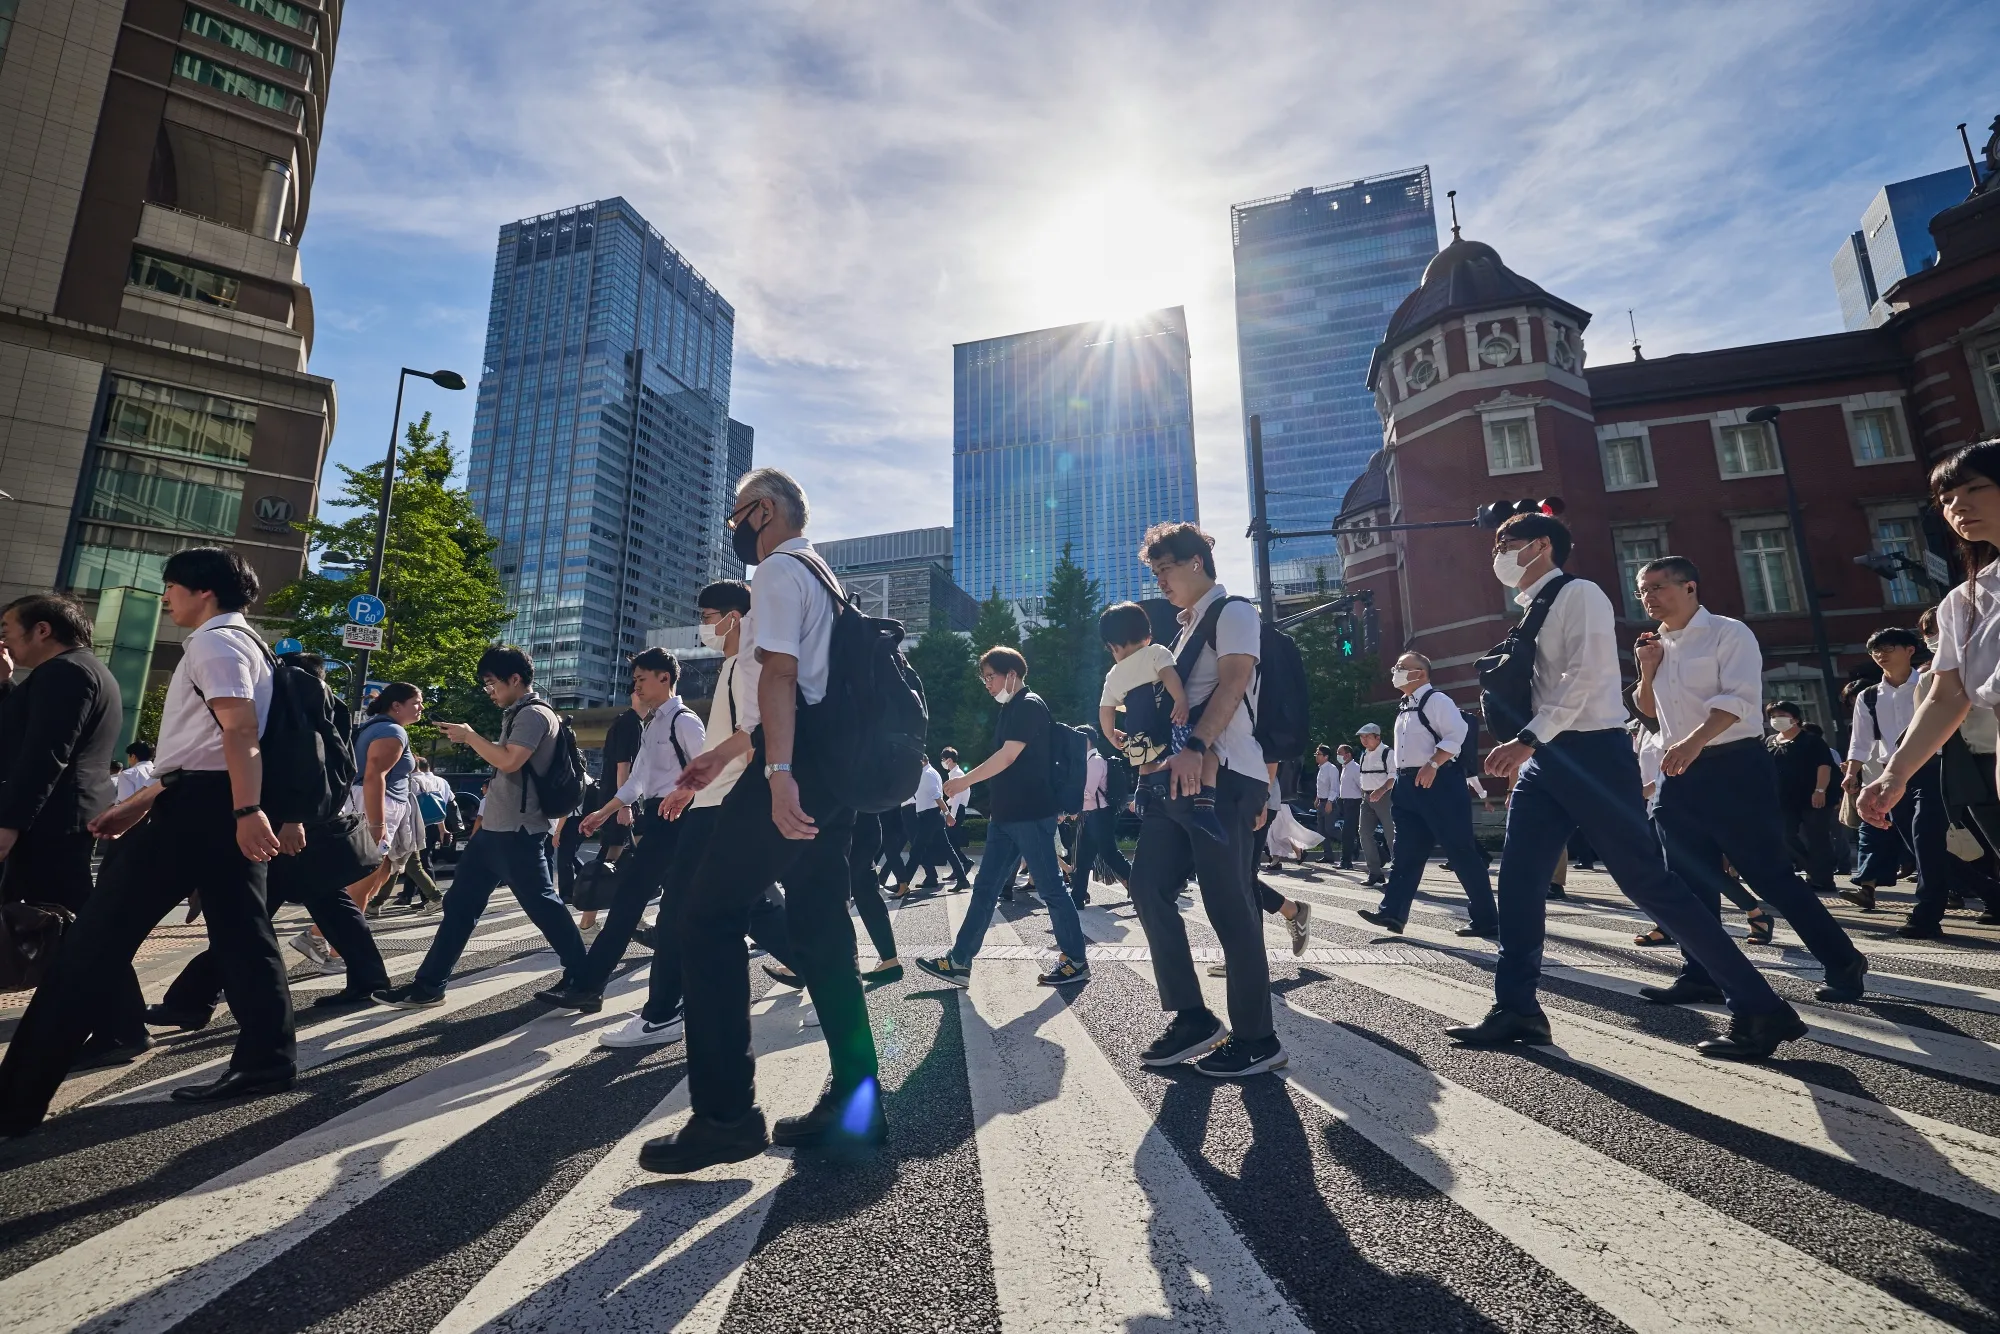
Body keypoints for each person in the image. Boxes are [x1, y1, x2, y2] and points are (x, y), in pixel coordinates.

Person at [1445, 513, 1806, 1059]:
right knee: (1519, 883)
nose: (1496, 553)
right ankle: (1516, 1007)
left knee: (1648, 882)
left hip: (1592, 753)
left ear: (1541, 546)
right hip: (1550, 757)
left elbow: (1587, 676)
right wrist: (1533, 742)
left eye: (1507, 543)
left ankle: (1761, 1008)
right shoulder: (1532, 609)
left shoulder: (1580, 594)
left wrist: (1526, 737)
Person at [0, 548, 297, 1132]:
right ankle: (268, 1059)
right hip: (205, 802)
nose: (165, 599)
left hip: (206, 809)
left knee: (93, 941)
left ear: (202, 592)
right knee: (244, 936)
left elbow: (238, 729)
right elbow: (209, 746)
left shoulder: (214, 643)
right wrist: (142, 800)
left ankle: (14, 1102)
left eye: (171, 588)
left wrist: (247, 808)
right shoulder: (248, 642)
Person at [640, 469, 882, 1172]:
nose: (734, 532)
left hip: (793, 771)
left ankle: (725, 1118)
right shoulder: (825, 576)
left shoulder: (777, 570)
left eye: (736, 519)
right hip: (829, 772)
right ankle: (857, 1103)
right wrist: (723, 752)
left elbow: (780, 677)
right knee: (820, 928)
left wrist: (775, 776)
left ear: (764, 511)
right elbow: (805, 691)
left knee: (707, 918)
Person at [1629, 557, 1867, 1005]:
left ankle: (1842, 960)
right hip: (1679, 771)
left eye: (1658, 587)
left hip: (1734, 766)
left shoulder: (1728, 632)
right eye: (1643, 590)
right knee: (1687, 879)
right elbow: (1647, 709)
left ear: (1690, 587)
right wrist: (1647, 668)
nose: (1649, 597)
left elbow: (1738, 700)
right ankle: (1700, 973)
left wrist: (1694, 742)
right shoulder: (1658, 644)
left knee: (1768, 874)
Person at [1100, 522, 1285, 1078]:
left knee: (1229, 904)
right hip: (1171, 782)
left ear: (1198, 563)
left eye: (1166, 570)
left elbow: (1232, 684)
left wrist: (1198, 745)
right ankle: (1192, 1017)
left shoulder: (1234, 613)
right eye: (1154, 573)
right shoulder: (1179, 633)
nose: (1160, 583)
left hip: (1222, 774)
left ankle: (1258, 1037)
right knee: (1148, 885)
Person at [151, 652, 392, 1021]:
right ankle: (370, 980)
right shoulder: (331, 705)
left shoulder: (295, 700)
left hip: (283, 824)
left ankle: (191, 1000)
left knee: (244, 915)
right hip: (306, 822)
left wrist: (292, 819)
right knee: (325, 906)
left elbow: (300, 762)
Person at [375, 647, 590, 1008]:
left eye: (491, 683)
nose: (489, 691)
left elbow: (510, 761)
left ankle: (584, 979)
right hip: (496, 830)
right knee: (460, 906)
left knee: (544, 906)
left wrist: (470, 736)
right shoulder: (518, 713)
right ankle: (428, 986)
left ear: (515, 680)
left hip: (517, 831)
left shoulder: (534, 714)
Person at [1861, 440, 2000, 936]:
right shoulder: (1965, 601)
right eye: (1945, 498)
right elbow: (1945, 697)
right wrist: (1893, 776)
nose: (1957, 506)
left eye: (1975, 489)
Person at [534, 648, 705, 1012]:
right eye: (635, 680)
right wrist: (604, 811)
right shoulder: (652, 723)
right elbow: (638, 780)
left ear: (665, 678)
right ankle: (590, 985)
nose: (636, 686)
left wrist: (685, 791)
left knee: (686, 906)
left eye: (642, 679)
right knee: (632, 900)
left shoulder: (684, 721)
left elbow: (709, 769)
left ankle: (604, 988)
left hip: (685, 821)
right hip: (661, 819)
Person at [916, 645, 1094, 990]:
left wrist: (964, 780)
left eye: (990, 677)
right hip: (1007, 816)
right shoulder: (1013, 708)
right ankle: (959, 962)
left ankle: (1075, 960)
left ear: (1011, 674)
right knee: (985, 889)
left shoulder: (1028, 705)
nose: (987, 684)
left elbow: (1009, 756)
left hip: (1029, 814)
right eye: (984, 678)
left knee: (1051, 888)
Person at [1358, 652, 1498, 937]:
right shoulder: (1404, 707)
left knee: (1461, 852)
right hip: (1409, 787)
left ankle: (1487, 919)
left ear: (1420, 673)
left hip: (1440, 783)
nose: (1394, 670)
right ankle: (1392, 913)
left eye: (1401, 667)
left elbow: (1456, 736)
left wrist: (1433, 764)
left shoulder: (1437, 701)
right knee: (1406, 853)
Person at [0, 595, 121, 915]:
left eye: (7, 628)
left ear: (41, 629)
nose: (5, 640)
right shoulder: (84, 668)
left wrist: (9, 822)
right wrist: (4, 683)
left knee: (56, 925)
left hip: (49, 822)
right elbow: (28, 728)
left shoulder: (64, 672)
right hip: (63, 816)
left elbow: (45, 753)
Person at [1844, 627, 1944, 932]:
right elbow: (1860, 740)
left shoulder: (1929, 683)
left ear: (1910, 650)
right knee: (1917, 844)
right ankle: (1992, 895)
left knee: (1925, 838)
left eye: (1888, 647)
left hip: (1933, 768)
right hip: (1892, 774)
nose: (1880, 654)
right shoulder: (1870, 696)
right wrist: (1851, 772)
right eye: (1875, 650)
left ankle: (1927, 913)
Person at [1095, 600, 1222, 840]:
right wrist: (1180, 700)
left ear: (1112, 646)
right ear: (1148, 635)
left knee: (1147, 757)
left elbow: (1106, 709)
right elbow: (1169, 675)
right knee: (1209, 755)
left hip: (1138, 737)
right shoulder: (1156, 652)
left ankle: (1143, 789)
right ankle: (1205, 805)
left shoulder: (1113, 674)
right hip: (1170, 727)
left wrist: (1111, 734)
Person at [1766, 701, 1839, 894]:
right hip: (1784, 799)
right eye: (1773, 716)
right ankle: (1810, 867)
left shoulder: (1812, 741)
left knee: (1817, 838)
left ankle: (1822, 879)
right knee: (1784, 835)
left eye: (1781, 715)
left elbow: (1824, 766)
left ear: (1796, 718)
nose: (1776, 720)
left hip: (1813, 797)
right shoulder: (1769, 742)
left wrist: (1820, 790)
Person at [1069, 735, 1133, 907]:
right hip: (1092, 815)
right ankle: (1077, 898)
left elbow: (1087, 792)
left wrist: (1070, 807)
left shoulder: (1095, 761)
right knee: (1083, 858)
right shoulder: (1088, 761)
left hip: (1101, 814)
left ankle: (1140, 885)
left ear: (1087, 740)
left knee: (1109, 854)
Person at [1353, 723, 1395, 884]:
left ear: (1378, 737)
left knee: (1391, 835)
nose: (1364, 740)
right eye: (1362, 737)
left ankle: (1398, 872)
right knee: (1363, 833)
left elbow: (1393, 776)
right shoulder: (1363, 755)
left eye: (1367, 737)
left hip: (1385, 797)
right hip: (1367, 798)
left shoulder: (1387, 752)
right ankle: (1374, 872)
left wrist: (1381, 790)